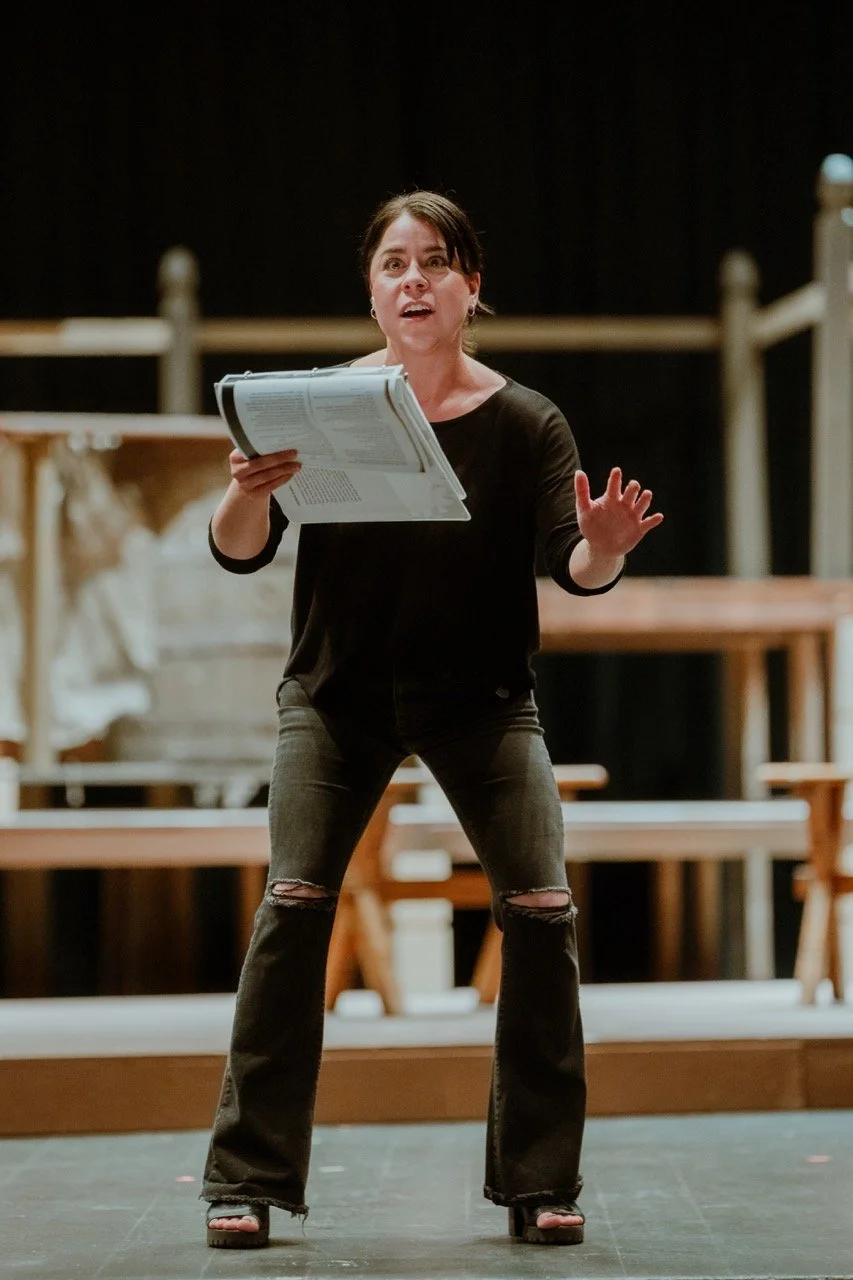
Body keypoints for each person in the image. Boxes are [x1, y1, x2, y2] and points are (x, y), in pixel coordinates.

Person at [201, 190, 663, 1250]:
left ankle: (540, 1179)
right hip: (335, 696)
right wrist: (247, 487)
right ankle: (247, 1178)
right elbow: (236, 546)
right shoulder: (316, 400)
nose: (415, 281)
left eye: (436, 264)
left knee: (542, 904)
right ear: (372, 290)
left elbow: (576, 568)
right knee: (294, 900)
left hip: (483, 701)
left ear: (471, 289)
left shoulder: (526, 419)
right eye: (395, 265)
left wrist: (606, 544)